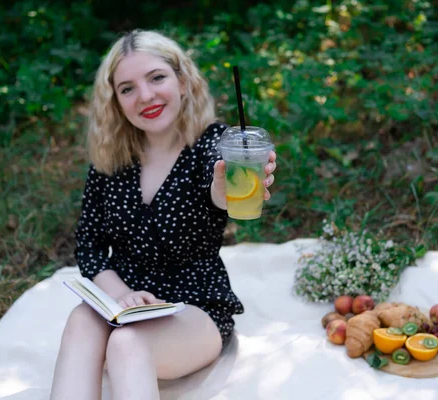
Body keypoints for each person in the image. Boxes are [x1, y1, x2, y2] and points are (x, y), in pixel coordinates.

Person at [50, 29, 277, 400]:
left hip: (194, 309)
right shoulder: (111, 159)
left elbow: (217, 189)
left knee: (126, 343)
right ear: (116, 102)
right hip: (126, 304)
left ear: (183, 82)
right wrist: (123, 294)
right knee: (81, 318)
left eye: (157, 77)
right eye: (127, 88)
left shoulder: (211, 143)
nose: (146, 96)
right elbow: (89, 246)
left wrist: (228, 186)